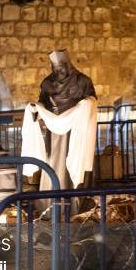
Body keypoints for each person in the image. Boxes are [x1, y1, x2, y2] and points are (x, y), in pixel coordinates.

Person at [36, 49, 97, 192]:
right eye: (56, 69)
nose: (59, 71)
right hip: (55, 129)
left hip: (76, 128)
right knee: (54, 160)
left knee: (75, 159)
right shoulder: (47, 83)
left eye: (61, 68)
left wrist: (86, 103)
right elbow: (42, 102)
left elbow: (92, 99)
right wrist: (36, 109)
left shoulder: (82, 81)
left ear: (68, 65)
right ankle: (53, 195)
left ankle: (76, 195)